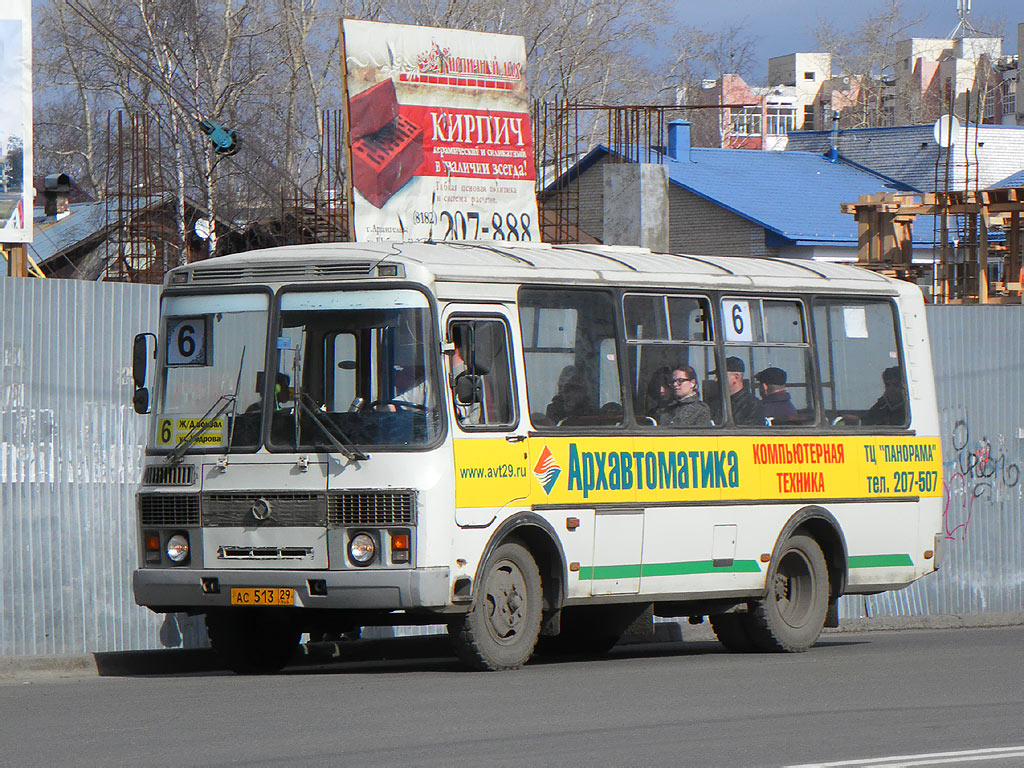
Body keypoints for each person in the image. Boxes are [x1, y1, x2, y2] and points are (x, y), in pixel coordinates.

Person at [717, 356, 765, 426]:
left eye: (719, 376)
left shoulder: (752, 405)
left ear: (736, 377)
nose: (716, 379)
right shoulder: (717, 403)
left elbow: (751, 433)